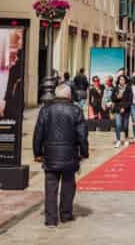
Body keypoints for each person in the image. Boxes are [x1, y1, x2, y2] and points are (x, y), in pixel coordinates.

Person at [33, 83, 88, 228]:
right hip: (70, 153)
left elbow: (38, 133)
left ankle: (51, 219)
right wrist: (84, 152)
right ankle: (66, 214)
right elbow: (82, 135)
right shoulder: (76, 110)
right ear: (69, 95)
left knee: (50, 187)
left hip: (50, 153)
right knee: (68, 185)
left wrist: (37, 152)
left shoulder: (45, 110)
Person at [111, 74, 132, 148]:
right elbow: (112, 98)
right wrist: (117, 97)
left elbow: (130, 100)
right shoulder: (115, 88)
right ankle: (118, 140)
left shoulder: (128, 88)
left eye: (123, 79)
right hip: (117, 109)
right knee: (118, 125)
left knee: (125, 126)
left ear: (125, 81)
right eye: (120, 79)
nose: (121, 81)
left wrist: (124, 108)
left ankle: (126, 138)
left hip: (126, 110)